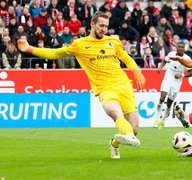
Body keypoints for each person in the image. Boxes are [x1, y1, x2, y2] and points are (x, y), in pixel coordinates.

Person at [17, 11, 146, 159]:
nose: (104, 29)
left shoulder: (113, 42)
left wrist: (137, 72)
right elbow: (55, 54)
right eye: (101, 26)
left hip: (123, 85)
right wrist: (29, 48)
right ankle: (127, 134)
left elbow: (126, 58)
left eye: (106, 26)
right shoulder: (80, 44)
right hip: (104, 88)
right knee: (114, 111)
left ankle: (114, 143)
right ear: (92, 24)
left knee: (134, 129)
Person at [153, 42, 192, 129]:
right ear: (176, 48)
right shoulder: (171, 54)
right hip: (169, 76)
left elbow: (191, 73)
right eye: (179, 47)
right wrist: (160, 67)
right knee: (162, 98)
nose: (181, 48)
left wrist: (182, 75)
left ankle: (163, 120)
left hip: (177, 80)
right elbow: (164, 60)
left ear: (184, 49)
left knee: (169, 103)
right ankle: (157, 118)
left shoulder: (187, 58)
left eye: (182, 47)